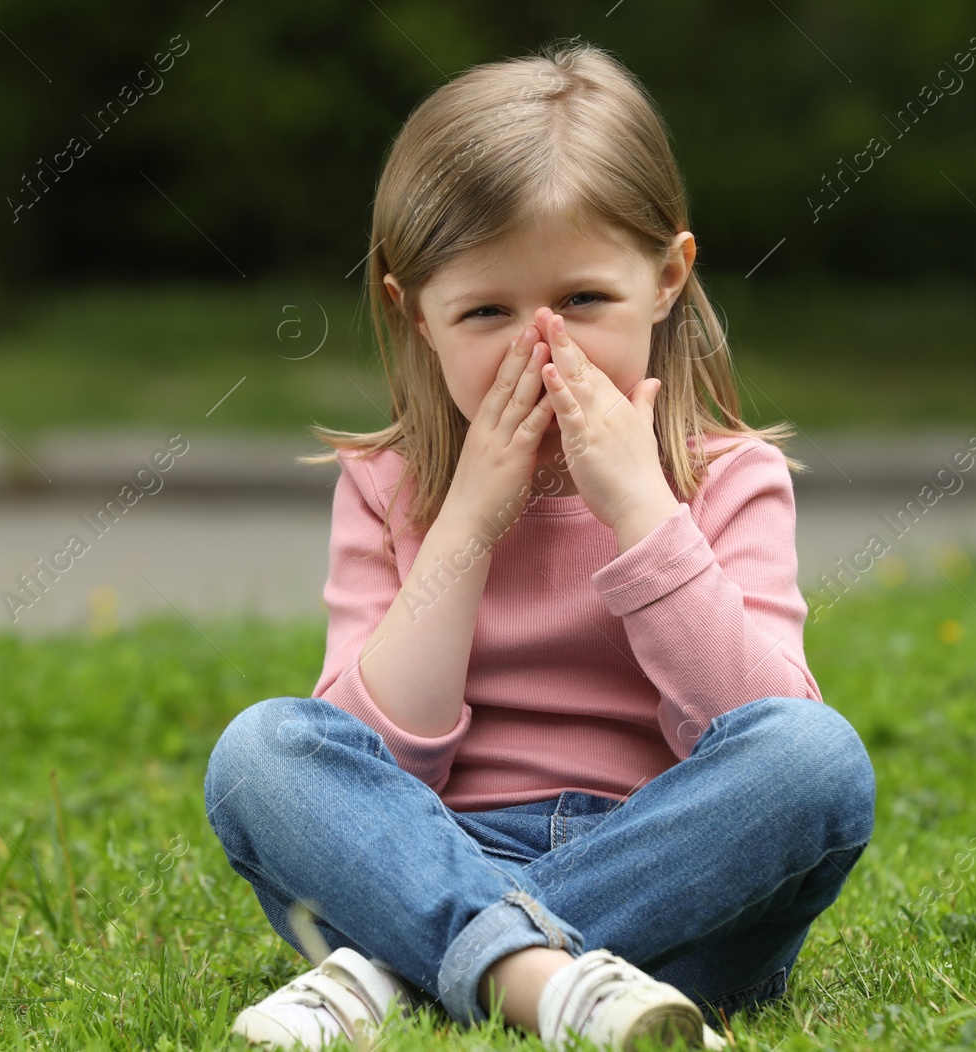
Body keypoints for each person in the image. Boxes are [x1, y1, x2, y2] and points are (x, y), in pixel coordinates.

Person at [204, 37, 875, 1052]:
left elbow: (747, 725)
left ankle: (408, 971)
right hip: (428, 850)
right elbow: (376, 760)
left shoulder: (727, 477)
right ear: (414, 315)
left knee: (814, 755)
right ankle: (548, 984)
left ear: (668, 278)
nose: (541, 344)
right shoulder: (391, 487)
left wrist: (643, 510)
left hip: (670, 875)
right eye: (485, 310)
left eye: (585, 301)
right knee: (262, 751)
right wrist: (468, 521)